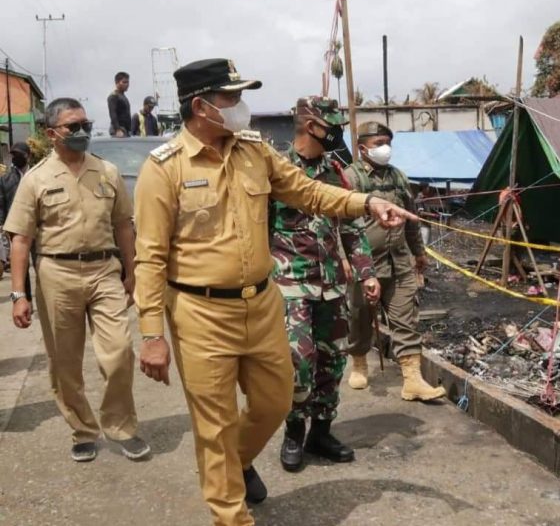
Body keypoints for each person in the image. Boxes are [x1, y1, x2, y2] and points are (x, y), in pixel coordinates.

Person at [134, 59, 415, 526]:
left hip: (262, 303)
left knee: (276, 401)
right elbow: (149, 257)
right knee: (215, 423)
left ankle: (234, 462)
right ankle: (230, 513)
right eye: (231, 98)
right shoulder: (163, 169)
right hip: (200, 312)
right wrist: (151, 333)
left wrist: (366, 201)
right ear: (202, 106)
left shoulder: (254, 152)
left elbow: (309, 193)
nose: (240, 106)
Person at [5, 97, 149, 463]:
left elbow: (123, 226)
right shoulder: (36, 179)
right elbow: (20, 239)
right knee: (65, 361)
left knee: (119, 352)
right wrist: (18, 294)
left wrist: (132, 272)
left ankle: (121, 427)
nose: (83, 131)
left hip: (105, 271)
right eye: (74, 126)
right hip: (57, 273)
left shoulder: (108, 172)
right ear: (52, 134)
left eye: (86, 124)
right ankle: (83, 430)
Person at [271, 96, 381, 473]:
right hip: (290, 283)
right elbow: (258, 225)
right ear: (311, 125)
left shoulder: (337, 170)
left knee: (332, 361)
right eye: (332, 125)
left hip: (332, 283)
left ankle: (321, 431)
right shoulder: (278, 169)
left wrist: (366, 272)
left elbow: (351, 226)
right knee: (298, 362)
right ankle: (292, 433)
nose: (338, 133)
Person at [346, 121, 446, 401]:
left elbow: (412, 218)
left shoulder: (399, 177)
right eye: (378, 143)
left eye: (388, 142)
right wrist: (345, 261)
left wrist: (419, 252)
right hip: (364, 263)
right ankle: (359, 361)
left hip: (400, 262)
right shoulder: (349, 178)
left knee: (406, 319)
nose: (385, 149)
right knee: (360, 316)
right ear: (362, 147)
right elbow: (339, 224)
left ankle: (412, 380)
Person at [0, 142, 33, 295]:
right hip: (17, 229)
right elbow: (1, 203)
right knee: (21, 265)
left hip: (39, 227)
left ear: (28, 156)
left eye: (19, 155)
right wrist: (2, 224)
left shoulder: (37, 175)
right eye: (13, 155)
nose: (15, 158)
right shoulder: (5, 179)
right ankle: (25, 298)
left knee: (43, 264)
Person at [108, 71, 131, 137]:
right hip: (119, 130)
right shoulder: (114, 96)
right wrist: (118, 130)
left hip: (126, 130)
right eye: (124, 82)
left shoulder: (123, 96)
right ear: (117, 83)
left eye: (127, 82)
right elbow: (112, 113)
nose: (127, 84)